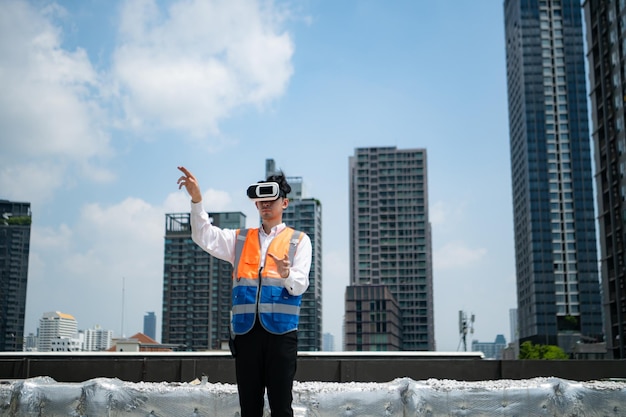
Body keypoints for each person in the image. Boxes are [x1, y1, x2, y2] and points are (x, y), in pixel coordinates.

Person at [176, 166, 312, 417]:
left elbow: (300, 284)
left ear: (285, 203)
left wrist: (286, 274)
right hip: (246, 335)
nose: (266, 205)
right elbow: (204, 236)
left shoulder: (298, 241)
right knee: (249, 408)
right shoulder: (240, 239)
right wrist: (196, 200)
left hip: (281, 336)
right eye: (261, 200)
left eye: (272, 199)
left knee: (282, 407)